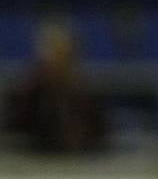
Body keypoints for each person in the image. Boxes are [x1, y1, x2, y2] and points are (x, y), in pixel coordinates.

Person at [3, 20, 109, 153]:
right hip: (33, 164)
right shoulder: (27, 93)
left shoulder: (84, 93)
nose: (59, 60)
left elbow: (100, 134)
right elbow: (15, 134)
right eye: (54, 53)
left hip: (78, 165)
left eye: (65, 54)